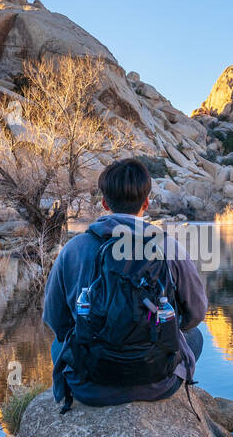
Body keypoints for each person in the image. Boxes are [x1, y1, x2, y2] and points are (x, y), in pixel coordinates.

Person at [43, 158, 206, 409]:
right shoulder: (168, 247)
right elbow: (196, 313)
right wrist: (161, 330)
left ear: (105, 203)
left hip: (90, 384)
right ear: (146, 202)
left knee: (59, 344)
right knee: (194, 337)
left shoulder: (74, 249)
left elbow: (56, 320)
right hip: (159, 382)